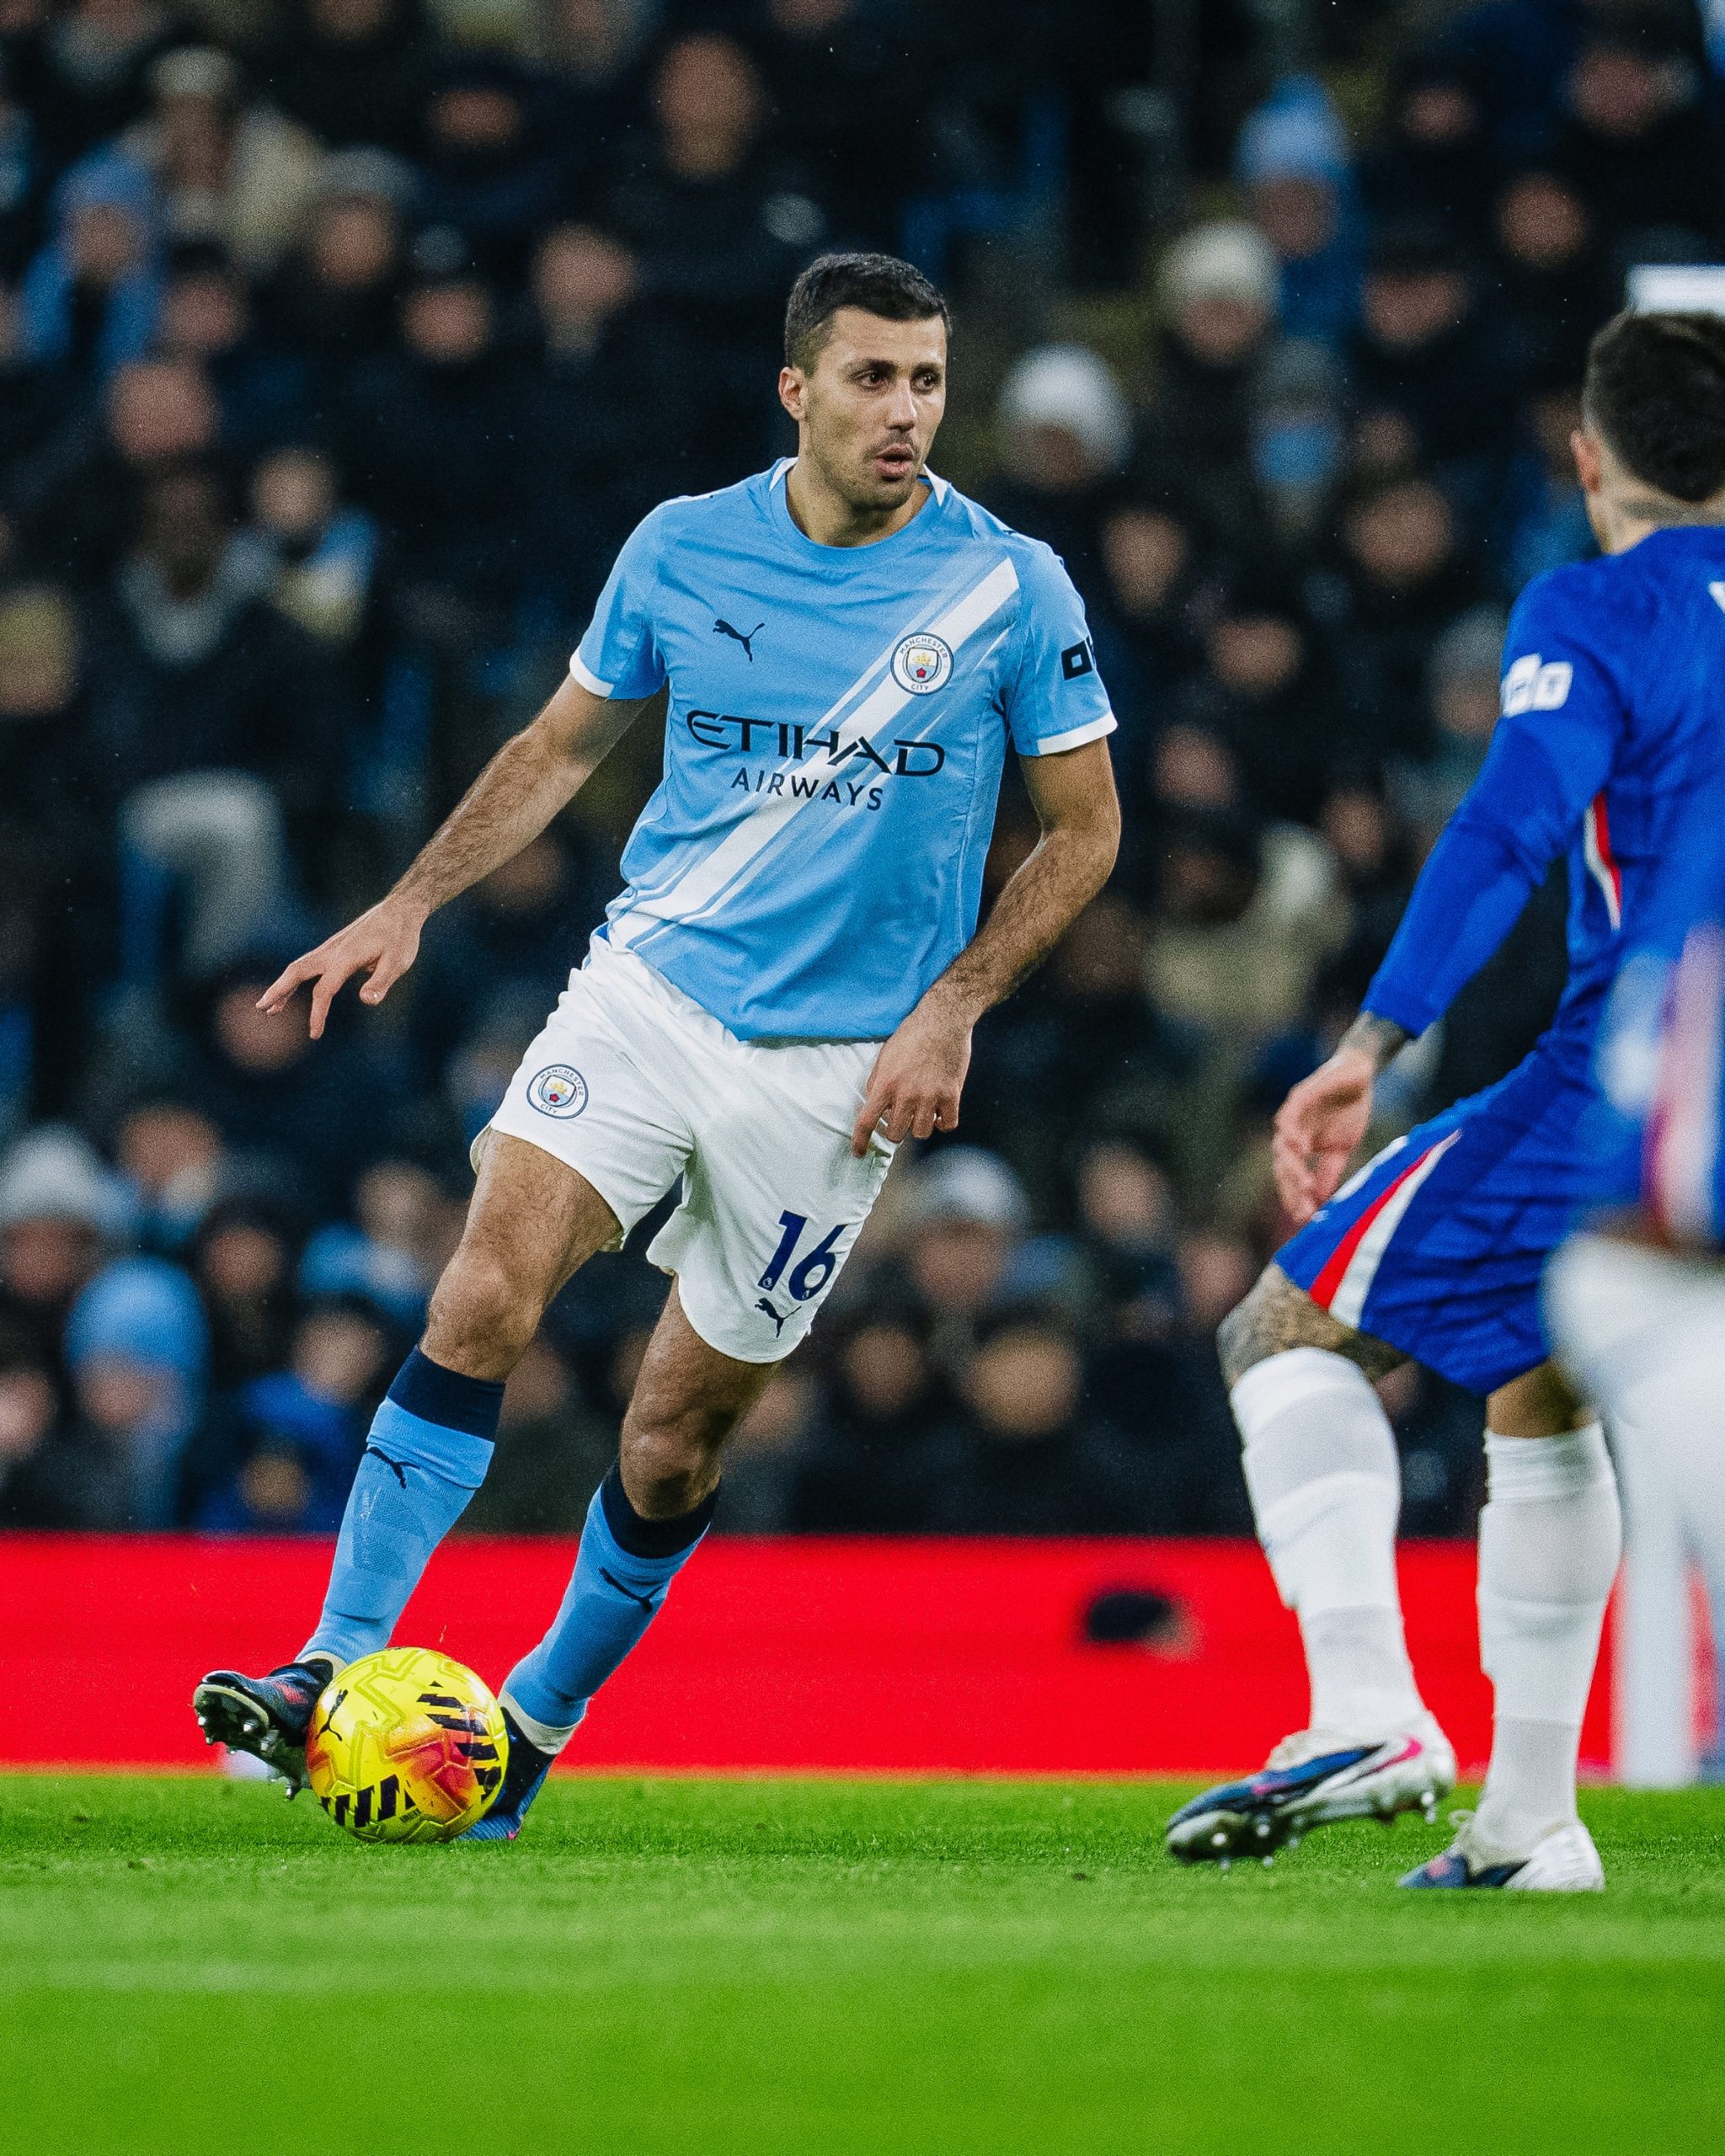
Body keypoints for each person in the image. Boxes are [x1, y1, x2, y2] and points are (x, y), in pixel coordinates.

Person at [192, 250, 1121, 1839]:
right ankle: (324, 1670)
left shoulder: (1010, 586)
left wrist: (952, 1005)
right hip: (649, 989)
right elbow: (562, 745)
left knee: (676, 1436)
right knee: (483, 1286)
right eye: (873, 379)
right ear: (797, 389)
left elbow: (1086, 831)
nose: (907, 413)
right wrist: (408, 902)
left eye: (928, 382)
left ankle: (533, 1721)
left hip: (836, 1074)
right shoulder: (683, 547)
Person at [1168, 310, 1725, 1890]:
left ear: (1588, 454)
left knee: (1282, 1325)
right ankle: (1530, 1822)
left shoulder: (1597, 607)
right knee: (1541, 1385)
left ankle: (1366, 1707)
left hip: (1644, 1066)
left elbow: (1511, 823)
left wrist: (1372, 1041)